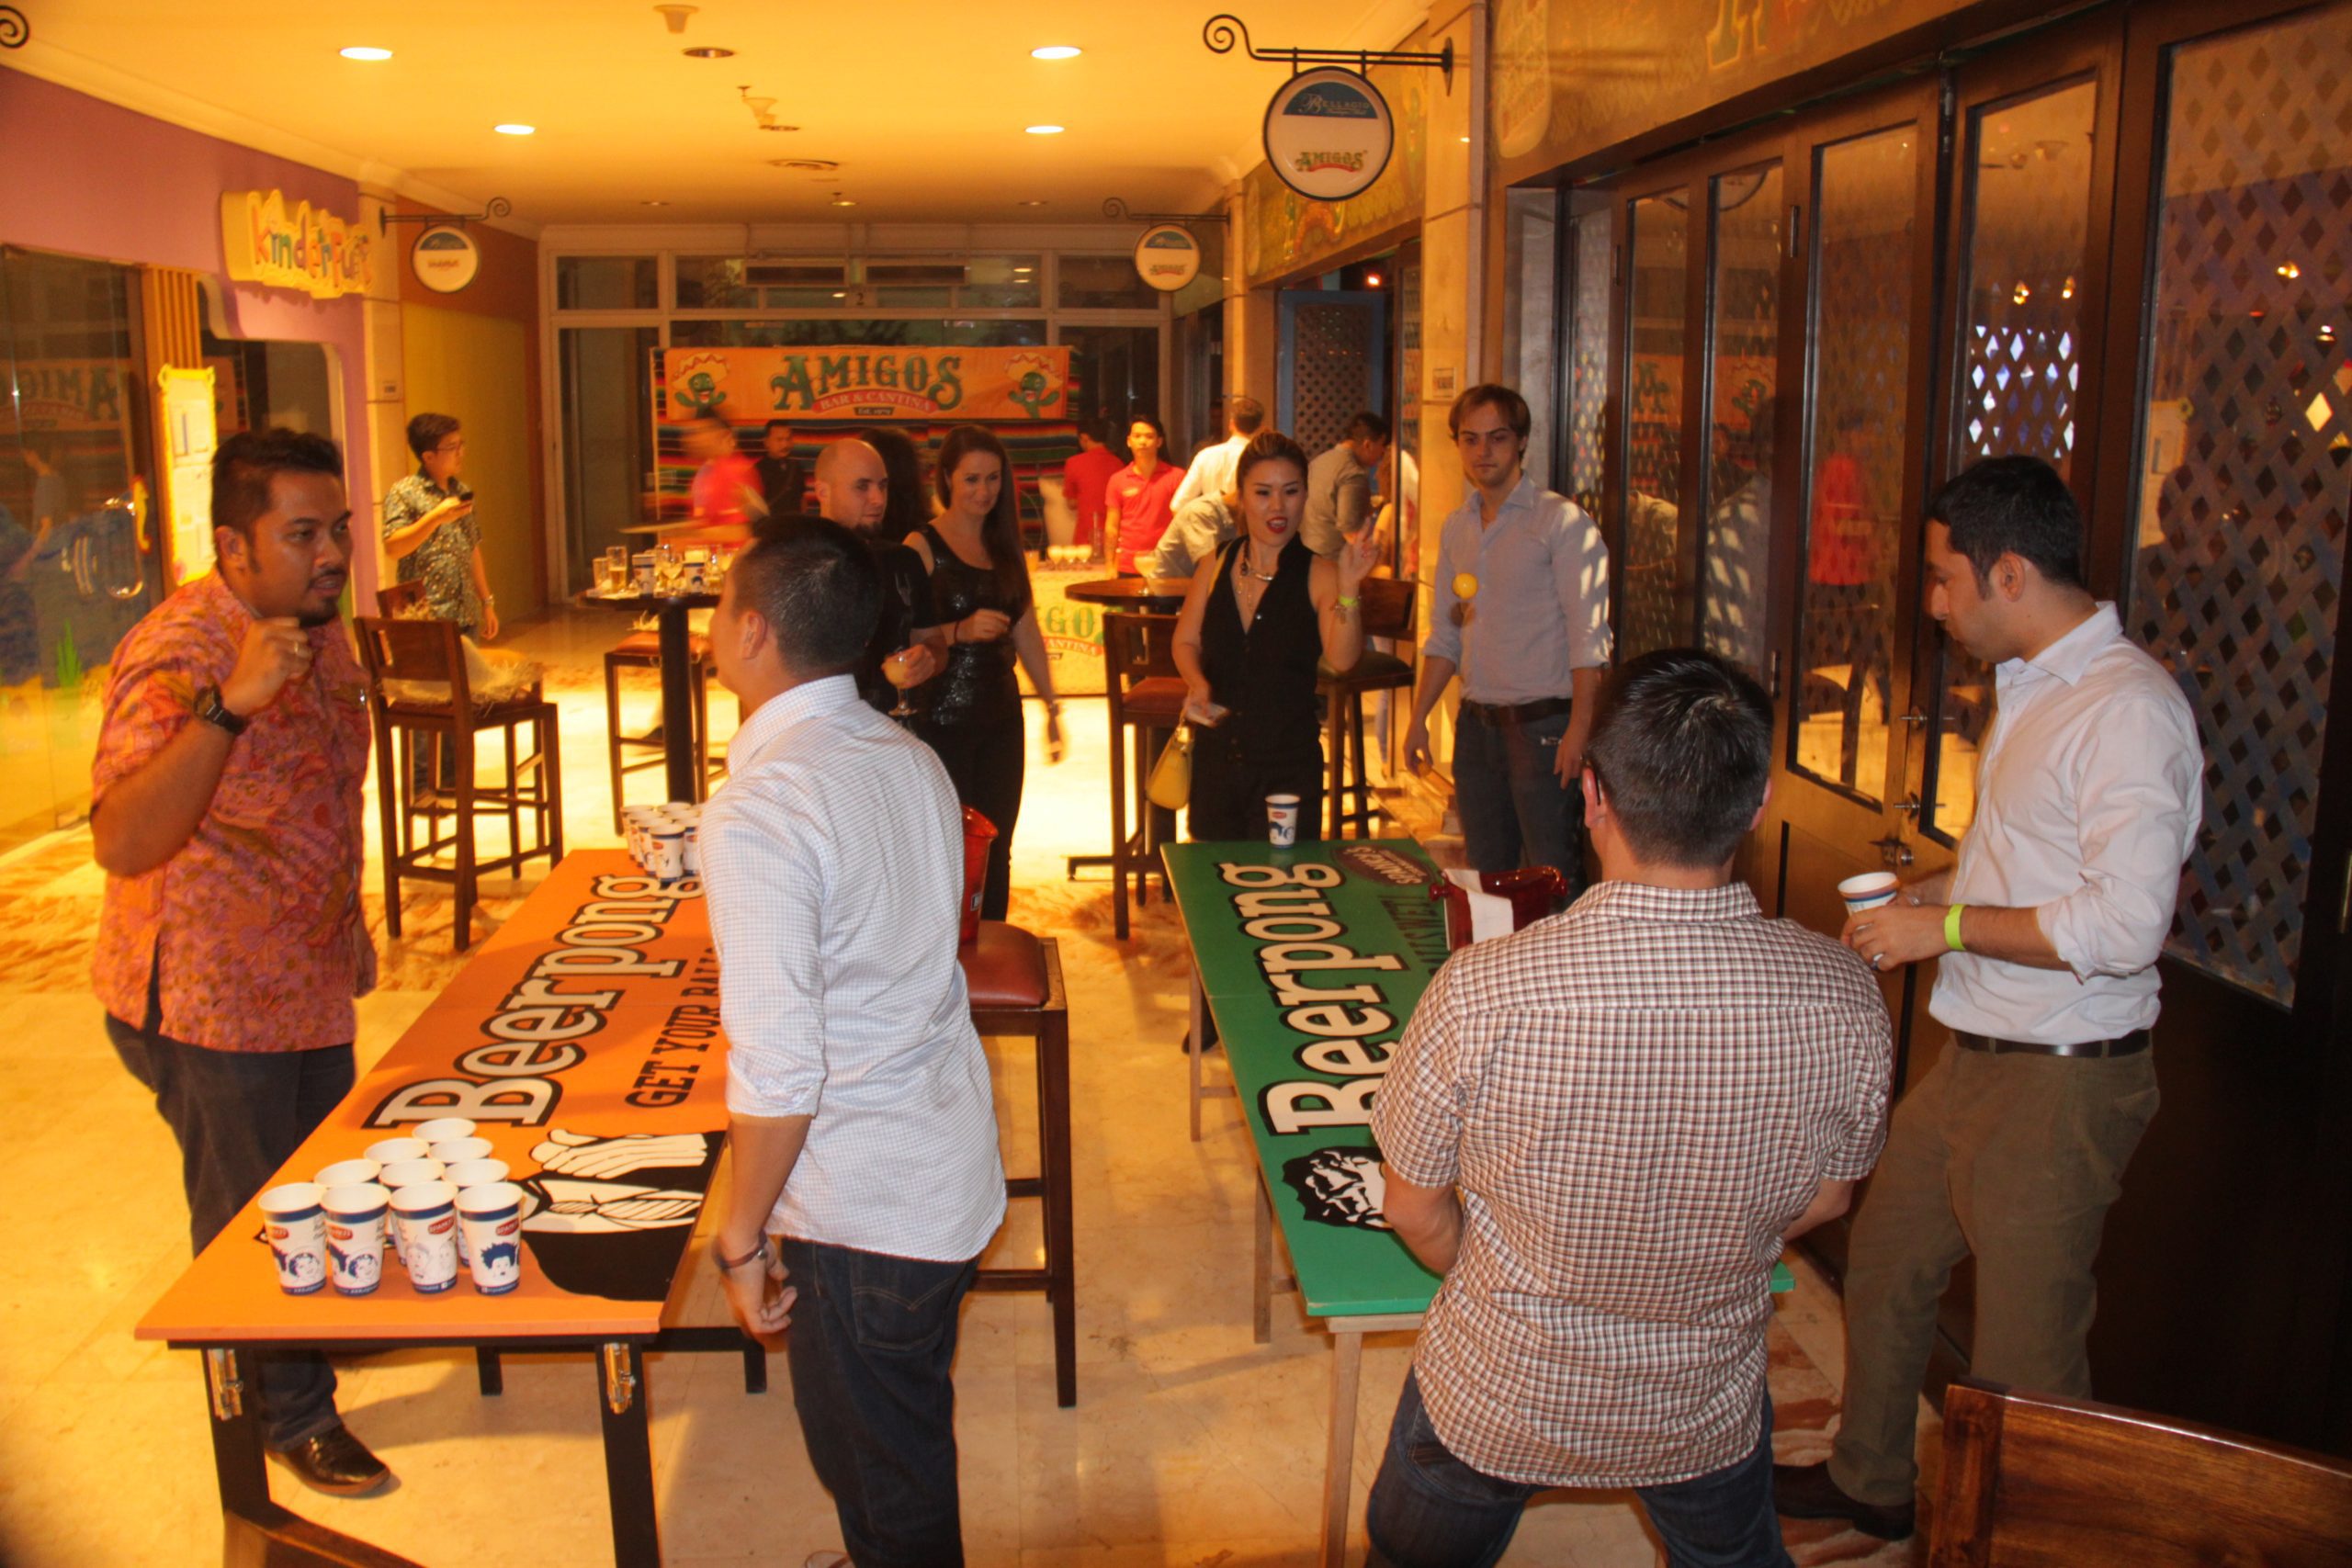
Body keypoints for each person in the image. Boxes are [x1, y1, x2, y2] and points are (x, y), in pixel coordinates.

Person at [1366, 647, 1893, 1568]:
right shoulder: (1845, 994)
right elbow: (1827, 1198)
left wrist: (1503, 1273)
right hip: (1700, 1407)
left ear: (1593, 795)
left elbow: (1412, 1206)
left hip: (1498, 1391)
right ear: (1759, 804)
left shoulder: (1483, 989)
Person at [1775, 456, 2201, 1542]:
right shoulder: (2031, 687)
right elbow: (2023, 865)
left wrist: (1947, 929)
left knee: (2027, 1359)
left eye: (1941, 576)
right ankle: (1873, 1481)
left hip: (2060, 1083)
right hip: (1976, 1053)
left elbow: (2122, 926)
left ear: (2007, 573)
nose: (1931, 601)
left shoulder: (2126, 710)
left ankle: (2028, 1546)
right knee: (1886, 1263)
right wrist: (1927, 892)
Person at [88, 428, 389, 1497]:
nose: (333, 553)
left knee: (317, 1185)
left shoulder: (318, 624)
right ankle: (287, 1411)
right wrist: (230, 706)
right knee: (252, 1217)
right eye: (302, 534)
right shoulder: (181, 652)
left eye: (338, 529)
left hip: (304, 982)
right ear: (233, 544)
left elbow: (320, 796)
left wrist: (346, 932)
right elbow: (123, 839)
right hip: (210, 1001)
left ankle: (307, 1335)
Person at [699, 516, 1005, 1568]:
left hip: (863, 1208)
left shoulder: (761, 808)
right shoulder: (908, 756)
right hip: (942, 1166)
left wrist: (740, 1239)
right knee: (896, 1432)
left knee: (881, 1468)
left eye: (720, 607)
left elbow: (781, 1068)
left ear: (752, 631)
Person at [1405, 384, 1612, 883]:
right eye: (1470, 439)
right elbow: (1445, 636)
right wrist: (1418, 718)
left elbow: (1590, 639)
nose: (1483, 451)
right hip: (1476, 730)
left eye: (1497, 438)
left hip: (1543, 728)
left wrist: (1579, 729)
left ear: (1521, 441)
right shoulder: (1457, 527)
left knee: (1553, 877)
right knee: (1487, 878)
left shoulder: (1561, 522)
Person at [1172, 431, 1374, 840]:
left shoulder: (1320, 574)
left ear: (1305, 495)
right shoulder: (1215, 563)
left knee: (1284, 879)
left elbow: (1342, 659)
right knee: (1214, 874)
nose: (1278, 506)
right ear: (1241, 497)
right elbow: (1185, 642)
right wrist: (1198, 682)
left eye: (1291, 491)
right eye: (1263, 492)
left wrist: (1350, 588)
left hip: (1287, 768)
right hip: (1216, 762)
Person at [905, 424, 1065, 919]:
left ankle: (990, 947)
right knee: (948, 850)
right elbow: (903, 640)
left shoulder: (1005, 545)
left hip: (1002, 716)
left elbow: (1027, 631)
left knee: (998, 845)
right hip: (940, 719)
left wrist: (1052, 705)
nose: (983, 491)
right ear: (947, 480)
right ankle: (943, 953)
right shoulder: (922, 546)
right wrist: (959, 630)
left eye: (993, 478)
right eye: (971, 479)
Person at [807, 435, 938, 713]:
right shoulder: (796, 565)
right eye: (862, 487)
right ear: (823, 492)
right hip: (822, 725)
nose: (878, 499)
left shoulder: (902, 561)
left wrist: (928, 658)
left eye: (883, 486)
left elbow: (932, 639)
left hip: (894, 724)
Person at [382, 412, 494, 640]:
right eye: (452, 447)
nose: (460, 453)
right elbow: (393, 548)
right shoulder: (404, 492)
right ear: (428, 456)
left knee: (470, 665)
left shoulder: (461, 491)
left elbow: (472, 548)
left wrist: (487, 602)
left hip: (466, 613)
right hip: (426, 616)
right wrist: (435, 518)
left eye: (461, 445)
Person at [1303, 411, 1389, 558]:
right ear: (1368, 445)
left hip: (1305, 552)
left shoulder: (1318, 462)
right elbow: (1351, 531)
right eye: (1381, 450)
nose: (1380, 457)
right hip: (1332, 559)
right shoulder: (1352, 474)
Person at [1103, 414, 1182, 574]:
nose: (1142, 441)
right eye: (1137, 436)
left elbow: (1183, 523)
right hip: (1127, 565)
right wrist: (1109, 564)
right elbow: (1111, 527)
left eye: (1149, 436)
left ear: (1159, 442)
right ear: (1129, 441)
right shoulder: (1118, 480)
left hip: (1166, 563)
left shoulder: (1177, 477)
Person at [1169, 394, 1265, 513]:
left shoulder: (1205, 456)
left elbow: (1177, 505)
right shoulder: (1260, 459)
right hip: (1246, 523)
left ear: (1231, 424)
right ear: (1260, 427)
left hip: (1211, 521)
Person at [683, 412, 763, 545]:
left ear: (721, 434)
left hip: (732, 556)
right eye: (690, 433)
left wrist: (690, 535)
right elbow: (702, 520)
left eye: (699, 432)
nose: (692, 439)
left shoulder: (737, 470)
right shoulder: (703, 473)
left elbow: (741, 531)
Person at [1141, 484, 1238, 581]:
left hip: (1187, 587)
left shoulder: (1236, 519)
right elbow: (1212, 572)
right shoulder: (1201, 512)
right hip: (1163, 588)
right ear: (1240, 493)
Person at [1059, 420, 1125, 552]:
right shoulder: (1119, 464)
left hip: (1085, 537)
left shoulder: (1073, 463)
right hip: (1116, 537)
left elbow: (1071, 503)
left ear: (1084, 438)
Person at [753, 418, 805, 516]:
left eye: (788, 439)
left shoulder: (796, 466)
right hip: (770, 524)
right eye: (779, 439)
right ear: (766, 442)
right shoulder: (757, 470)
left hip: (794, 523)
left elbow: (802, 500)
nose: (785, 444)